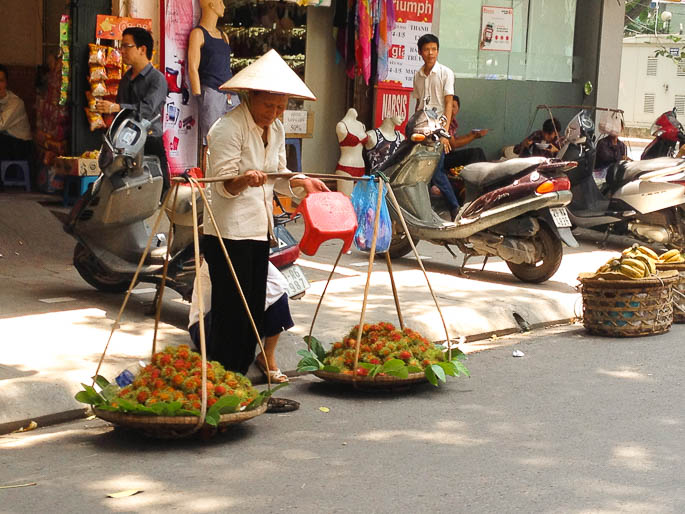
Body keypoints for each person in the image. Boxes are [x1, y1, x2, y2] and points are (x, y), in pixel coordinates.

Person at [204, 50, 328, 376]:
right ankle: (221, 377)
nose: (273, 113)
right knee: (230, 311)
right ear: (250, 97)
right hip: (228, 232)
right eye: (268, 106)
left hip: (259, 230)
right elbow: (222, 186)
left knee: (252, 310)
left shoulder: (276, 130)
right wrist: (242, 180)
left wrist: (303, 182)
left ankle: (239, 378)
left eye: (280, 107)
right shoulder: (227, 128)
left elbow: (278, 173)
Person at [93, 28, 169, 199]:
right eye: (121, 46)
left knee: (160, 191)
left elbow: (147, 110)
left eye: (127, 46)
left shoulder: (157, 79)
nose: (122, 51)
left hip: (149, 141)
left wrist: (116, 107)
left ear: (142, 49)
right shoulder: (126, 79)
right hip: (125, 143)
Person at [188, 261, 293, 383]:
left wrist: (255, 306)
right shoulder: (218, 257)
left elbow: (280, 283)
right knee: (234, 302)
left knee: (280, 298)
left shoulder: (252, 251)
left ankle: (267, 358)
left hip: (239, 320)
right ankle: (227, 367)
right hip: (206, 328)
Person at [412, 34, 459, 218]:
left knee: (435, 169)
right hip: (422, 127)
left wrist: (445, 133)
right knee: (420, 169)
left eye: (434, 49)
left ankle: (455, 207)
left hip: (439, 126)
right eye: (426, 49)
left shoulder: (446, 73)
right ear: (420, 53)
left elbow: (448, 103)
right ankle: (426, 210)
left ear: (438, 51)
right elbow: (418, 105)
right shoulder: (418, 75)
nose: (430, 53)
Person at [188, 0, 240, 145]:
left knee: (234, 138)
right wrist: (198, 95)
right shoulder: (198, 34)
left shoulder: (224, 36)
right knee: (211, 139)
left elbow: (226, 65)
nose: (223, 6)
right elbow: (193, 67)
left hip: (230, 93)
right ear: (211, 5)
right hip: (211, 91)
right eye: (220, 2)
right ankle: (208, 168)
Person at [443, 96, 488, 170]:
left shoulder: (452, 123)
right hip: (443, 158)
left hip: (449, 155)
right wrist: (473, 137)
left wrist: (470, 135)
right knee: (474, 153)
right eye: (449, 106)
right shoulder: (444, 122)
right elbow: (454, 144)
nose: (451, 109)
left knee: (479, 151)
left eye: (453, 106)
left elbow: (455, 139)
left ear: (458, 109)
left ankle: (484, 173)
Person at [0, 64, 32, 163]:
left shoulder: (15, 103)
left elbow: (1, 125)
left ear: (6, 83)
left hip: (20, 146)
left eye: (1, 81)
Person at [335, 107, 367, 196]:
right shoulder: (341, 126)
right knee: (345, 201)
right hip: (346, 166)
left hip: (361, 166)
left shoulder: (362, 125)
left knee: (358, 202)